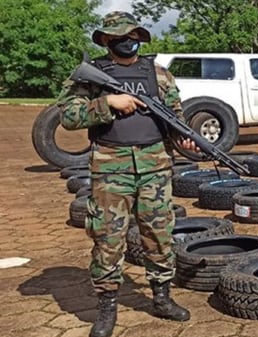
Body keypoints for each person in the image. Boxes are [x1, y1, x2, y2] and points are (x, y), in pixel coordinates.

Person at [57, 11, 197, 337]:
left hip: (155, 168)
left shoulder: (159, 74)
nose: (128, 40)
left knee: (159, 236)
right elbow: (68, 115)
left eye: (133, 35)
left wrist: (186, 139)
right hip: (110, 169)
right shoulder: (91, 76)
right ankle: (106, 308)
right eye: (120, 35)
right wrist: (109, 103)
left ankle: (161, 297)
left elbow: (175, 118)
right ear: (106, 40)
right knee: (107, 240)